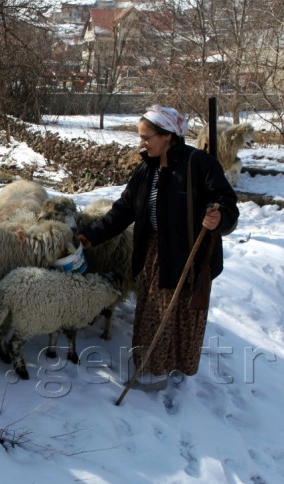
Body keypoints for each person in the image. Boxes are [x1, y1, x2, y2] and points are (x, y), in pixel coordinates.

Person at [76, 105, 239, 391]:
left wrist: (219, 217)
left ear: (168, 136)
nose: (141, 143)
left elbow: (226, 203)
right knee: (153, 312)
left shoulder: (198, 164)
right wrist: (91, 235)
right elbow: (124, 210)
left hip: (190, 255)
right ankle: (152, 370)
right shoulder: (146, 169)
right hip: (154, 252)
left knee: (182, 315)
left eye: (146, 136)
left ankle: (166, 370)